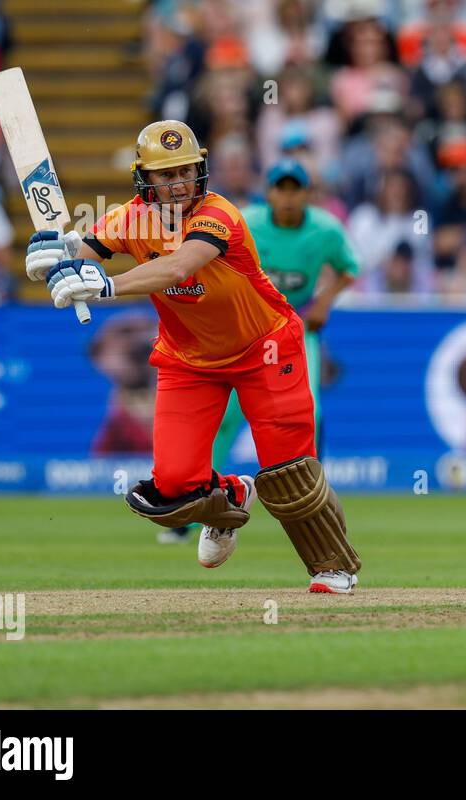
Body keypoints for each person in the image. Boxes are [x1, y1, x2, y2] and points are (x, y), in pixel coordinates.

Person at [26, 122, 362, 593]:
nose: (179, 183)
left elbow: (180, 265)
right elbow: (84, 249)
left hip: (265, 348)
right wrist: (54, 253)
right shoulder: (130, 218)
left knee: (290, 471)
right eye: (167, 175)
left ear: (200, 170)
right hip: (190, 359)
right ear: (145, 179)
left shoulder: (218, 215)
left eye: (186, 171)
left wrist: (107, 285)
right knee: (174, 485)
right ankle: (229, 495)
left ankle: (332, 565)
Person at [163, 159, 358, 548]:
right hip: (241, 331)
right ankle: (196, 507)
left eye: (294, 189)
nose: (287, 197)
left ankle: (314, 504)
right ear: (268, 192)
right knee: (224, 420)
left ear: (306, 194)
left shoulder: (325, 229)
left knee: (309, 415)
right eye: (280, 189)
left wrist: (323, 303)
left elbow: (349, 268)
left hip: (291, 328)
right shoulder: (245, 220)